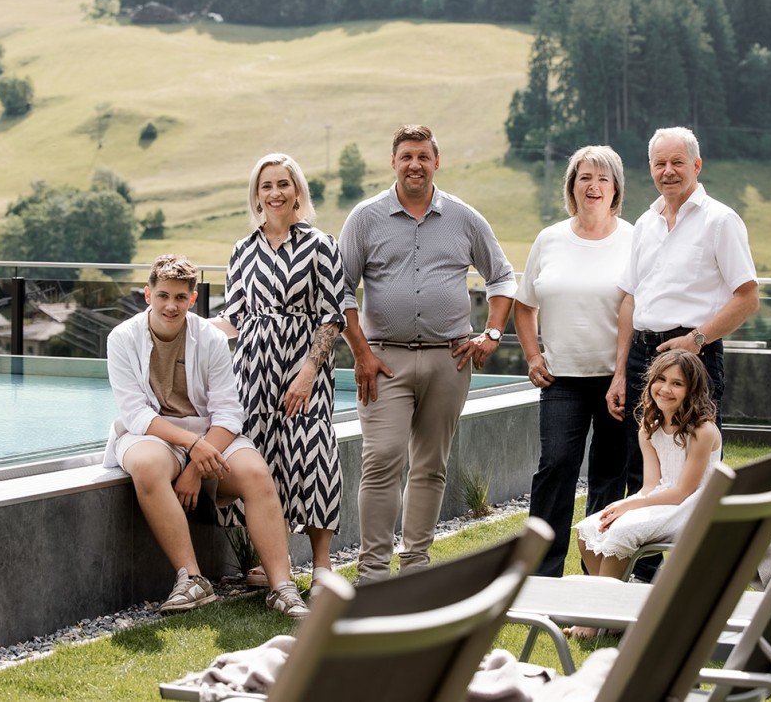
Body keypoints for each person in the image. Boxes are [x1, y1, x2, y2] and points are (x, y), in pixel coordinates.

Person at [339, 124, 517, 582]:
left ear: (436, 162)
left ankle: (415, 565)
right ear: (393, 162)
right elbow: (338, 292)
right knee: (382, 460)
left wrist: (492, 334)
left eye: (423, 156)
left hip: (449, 360)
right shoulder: (365, 218)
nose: (414, 164)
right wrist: (360, 354)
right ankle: (373, 573)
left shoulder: (464, 218)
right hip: (383, 360)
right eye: (406, 157)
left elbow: (501, 277)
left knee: (431, 464)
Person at [105, 253, 309, 618]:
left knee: (256, 472)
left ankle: (282, 587)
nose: (171, 305)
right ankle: (193, 580)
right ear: (147, 295)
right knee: (146, 464)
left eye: (180, 298)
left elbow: (229, 412)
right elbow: (136, 414)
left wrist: (196, 467)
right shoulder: (122, 338)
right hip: (155, 436)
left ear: (193, 299)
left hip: (207, 434)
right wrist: (192, 447)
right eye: (164, 295)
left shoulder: (210, 338)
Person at [607, 126, 758, 579]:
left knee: (695, 465)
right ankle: (642, 575)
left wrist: (696, 339)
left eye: (677, 162)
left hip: (694, 356)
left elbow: (747, 297)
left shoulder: (720, 220)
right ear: (650, 169)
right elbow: (630, 300)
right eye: (659, 163)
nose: (668, 171)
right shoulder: (646, 223)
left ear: (697, 165)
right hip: (643, 353)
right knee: (643, 461)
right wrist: (620, 372)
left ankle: (702, 574)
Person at [211, 154, 345, 597]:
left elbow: (332, 316)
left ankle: (323, 566)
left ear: (298, 191)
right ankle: (278, 566)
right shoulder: (242, 250)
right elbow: (233, 318)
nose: (275, 193)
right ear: (256, 195)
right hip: (251, 370)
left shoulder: (321, 245)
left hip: (302, 366)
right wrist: (185, 326)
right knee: (262, 459)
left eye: (283, 184)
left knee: (314, 455)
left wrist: (308, 371)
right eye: (266, 185)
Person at [514, 145, 634, 577]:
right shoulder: (550, 239)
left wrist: (623, 374)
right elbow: (523, 305)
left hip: (618, 379)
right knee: (556, 468)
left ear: (616, 187)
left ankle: (598, 571)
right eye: (585, 177)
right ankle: (541, 572)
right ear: (572, 186)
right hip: (561, 379)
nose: (593, 186)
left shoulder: (633, 239)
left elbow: (639, 308)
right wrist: (532, 355)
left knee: (608, 476)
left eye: (603, 178)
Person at [566, 349, 721, 637]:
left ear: (692, 389)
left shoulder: (703, 430)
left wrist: (631, 508)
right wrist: (626, 503)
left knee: (620, 534)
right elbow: (651, 485)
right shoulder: (649, 428)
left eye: (677, 383)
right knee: (589, 529)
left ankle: (593, 621)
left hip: (694, 506)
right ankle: (616, 616)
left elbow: (684, 491)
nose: (666, 389)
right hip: (663, 498)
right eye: (661, 379)